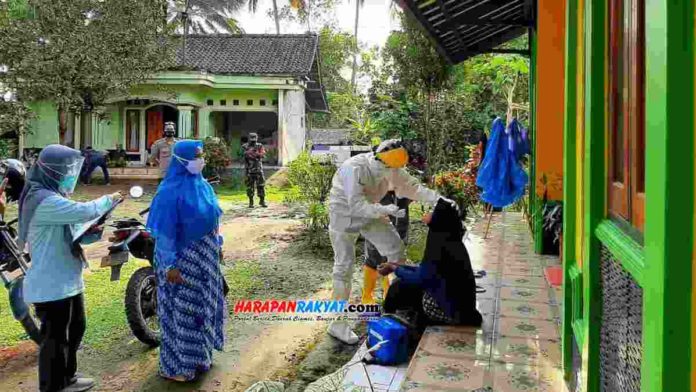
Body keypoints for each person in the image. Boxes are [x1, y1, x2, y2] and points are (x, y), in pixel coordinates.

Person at [327, 139, 454, 344]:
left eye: (393, 169)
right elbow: (356, 204)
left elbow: (413, 187)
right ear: (378, 158)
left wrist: (438, 200)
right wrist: (384, 210)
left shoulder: (392, 167)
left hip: (372, 212)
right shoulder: (354, 168)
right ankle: (337, 323)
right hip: (344, 215)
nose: (389, 172)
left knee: (396, 249)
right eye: (386, 167)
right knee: (343, 268)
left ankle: (402, 306)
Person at [18, 144, 122, 392]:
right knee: (54, 340)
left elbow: (75, 231)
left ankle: (68, 377)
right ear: (51, 171)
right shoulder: (42, 200)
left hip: (67, 278)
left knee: (76, 328)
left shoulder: (54, 196)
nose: (70, 174)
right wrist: (110, 199)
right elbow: (83, 211)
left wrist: (91, 233)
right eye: (67, 170)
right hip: (51, 284)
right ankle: (52, 386)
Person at [146, 140, 225, 382]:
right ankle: (179, 367)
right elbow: (165, 234)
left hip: (206, 260)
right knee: (183, 314)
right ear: (181, 160)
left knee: (205, 307)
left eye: (202, 155)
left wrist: (218, 245)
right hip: (182, 263)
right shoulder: (168, 193)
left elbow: (213, 218)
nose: (201, 160)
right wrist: (169, 265)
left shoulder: (202, 186)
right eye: (197, 156)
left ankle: (201, 358)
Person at [378, 199, 483, 327]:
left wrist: (394, 268)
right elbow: (426, 271)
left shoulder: (440, 245)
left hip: (454, 315)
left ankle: (387, 323)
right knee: (404, 286)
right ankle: (405, 321)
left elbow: (421, 278)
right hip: (462, 310)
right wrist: (396, 266)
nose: (429, 213)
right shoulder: (448, 238)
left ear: (440, 218)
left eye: (433, 211)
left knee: (399, 287)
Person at [362, 191, 411, 304]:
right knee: (372, 257)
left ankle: (389, 299)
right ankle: (367, 300)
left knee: (396, 256)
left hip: (399, 215)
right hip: (378, 211)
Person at [241, 132, 267, 208]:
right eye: (252, 139)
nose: (253, 141)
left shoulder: (260, 145)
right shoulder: (245, 146)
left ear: (257, 138)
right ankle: (251, 202)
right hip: (249, 170)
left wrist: (251, 154)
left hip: (258, 170)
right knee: (249, 187)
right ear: (249, 139)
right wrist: (255, 154)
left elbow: (262, 155)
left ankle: (262, 201)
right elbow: (243, 155)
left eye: (254, 139)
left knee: (261, 186)